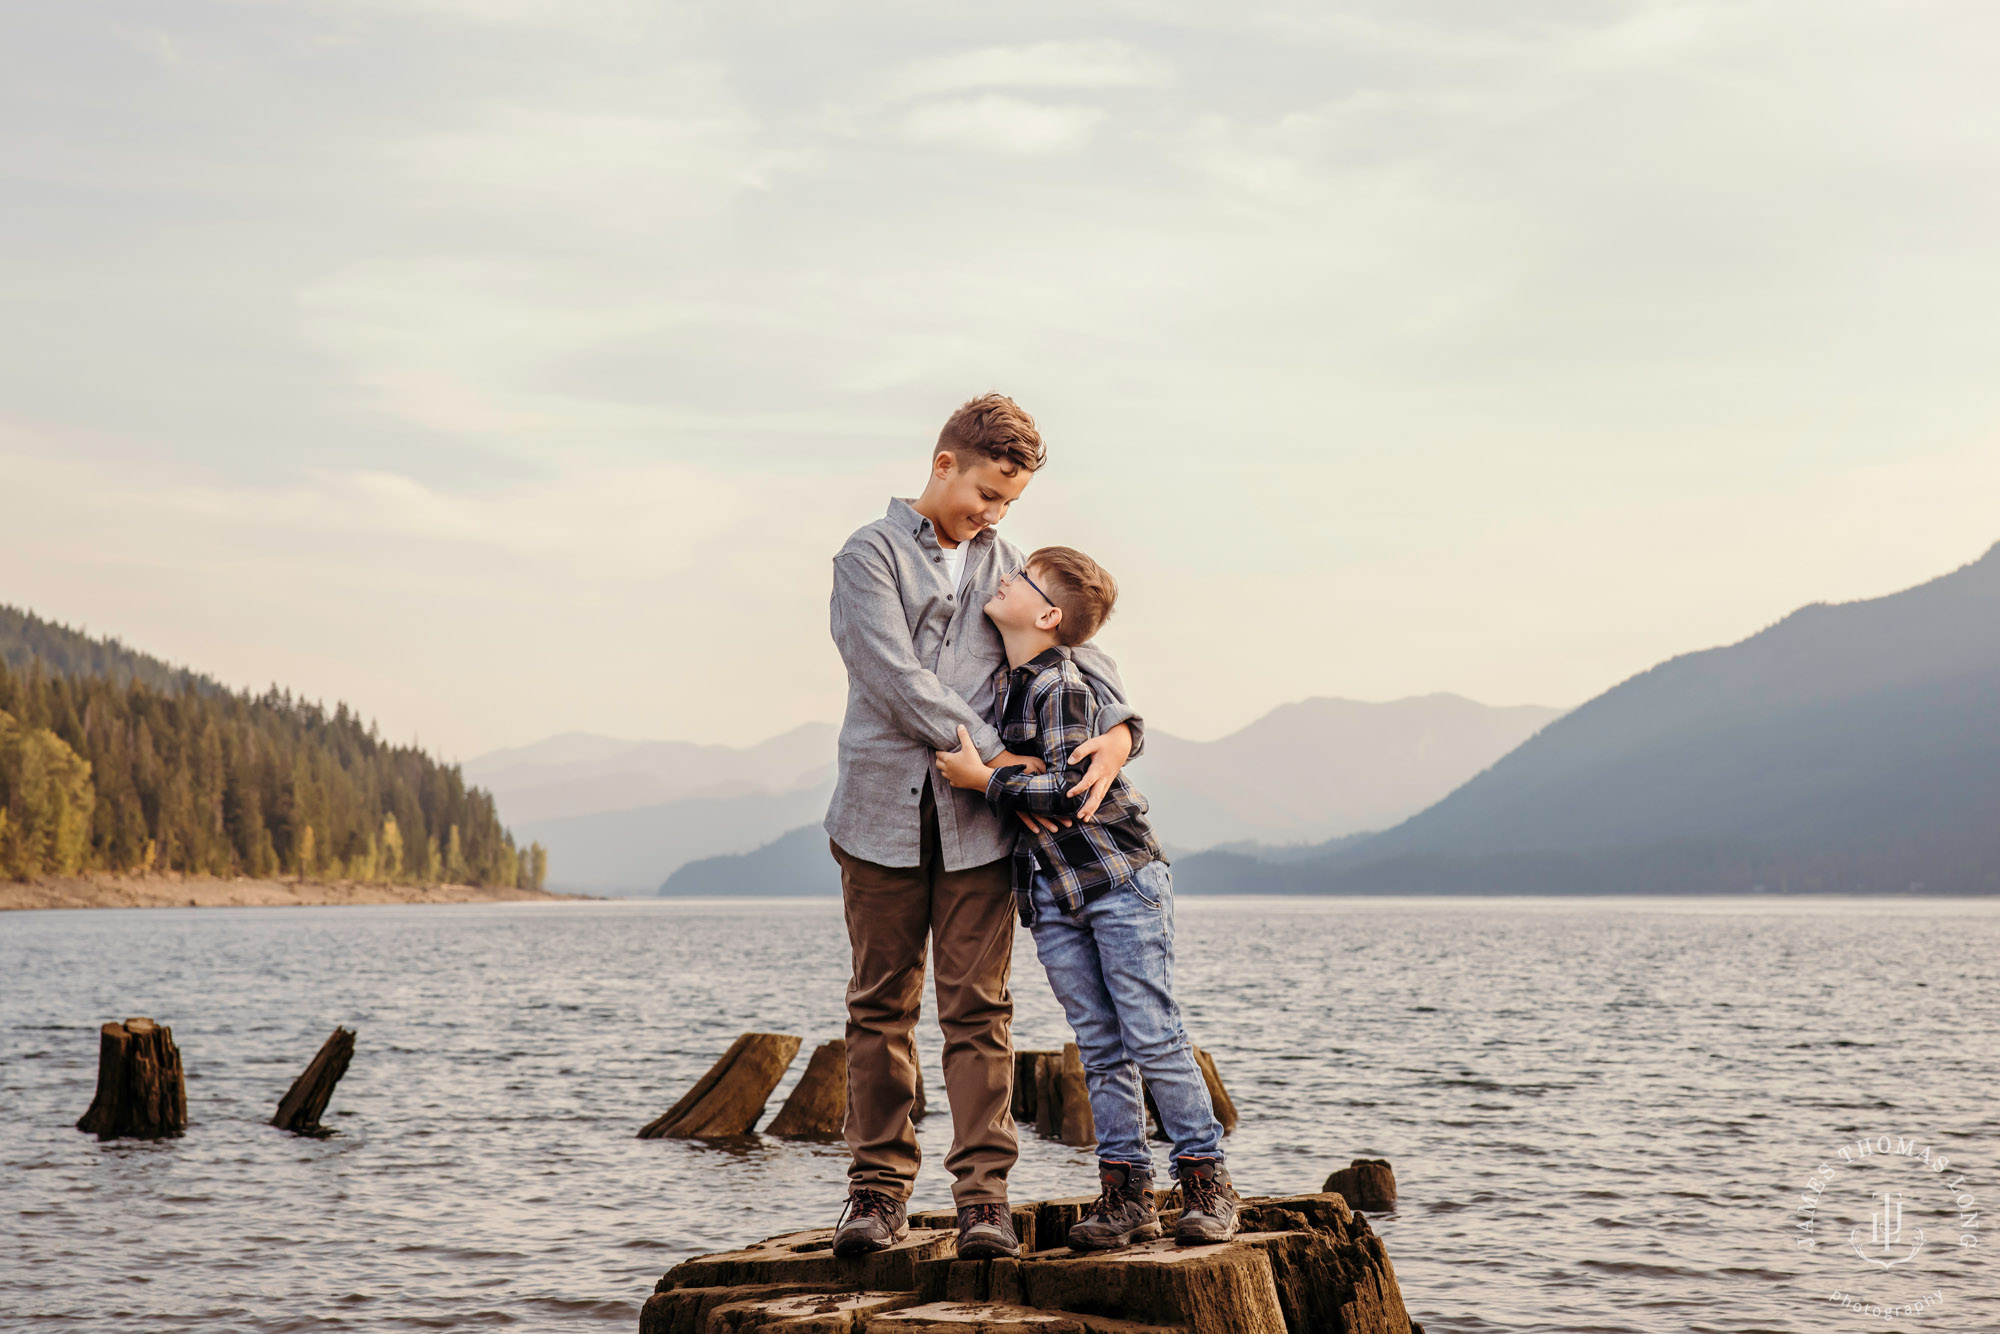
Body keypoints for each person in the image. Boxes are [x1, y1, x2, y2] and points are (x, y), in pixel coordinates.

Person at [825, 394, 1144, 1261]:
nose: (994, 515)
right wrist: (1010, 764)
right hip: (878, 817)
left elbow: (1085, 650)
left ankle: (984, 1203)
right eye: (987, 494)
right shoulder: (868, 556)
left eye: (1009, 503)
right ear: (943, 465)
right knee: (879, 1008)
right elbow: (891, 678)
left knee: (979, 1012)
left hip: (980, 831)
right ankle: (877, 1194)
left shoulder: (1013, 566)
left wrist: (1120, 729)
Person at [932, 545, 1240, 1250]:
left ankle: (1206, 1181)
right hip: (1053, 893)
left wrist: (984, 780)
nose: (1003, 578)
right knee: (1100, 1047)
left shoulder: (1061, 685)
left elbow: (1071, 790)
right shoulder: (1009, 683)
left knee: (1152, 1036)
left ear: (1047, 615)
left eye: (1022, 578)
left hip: (1117, 882)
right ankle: (1127, 1191)